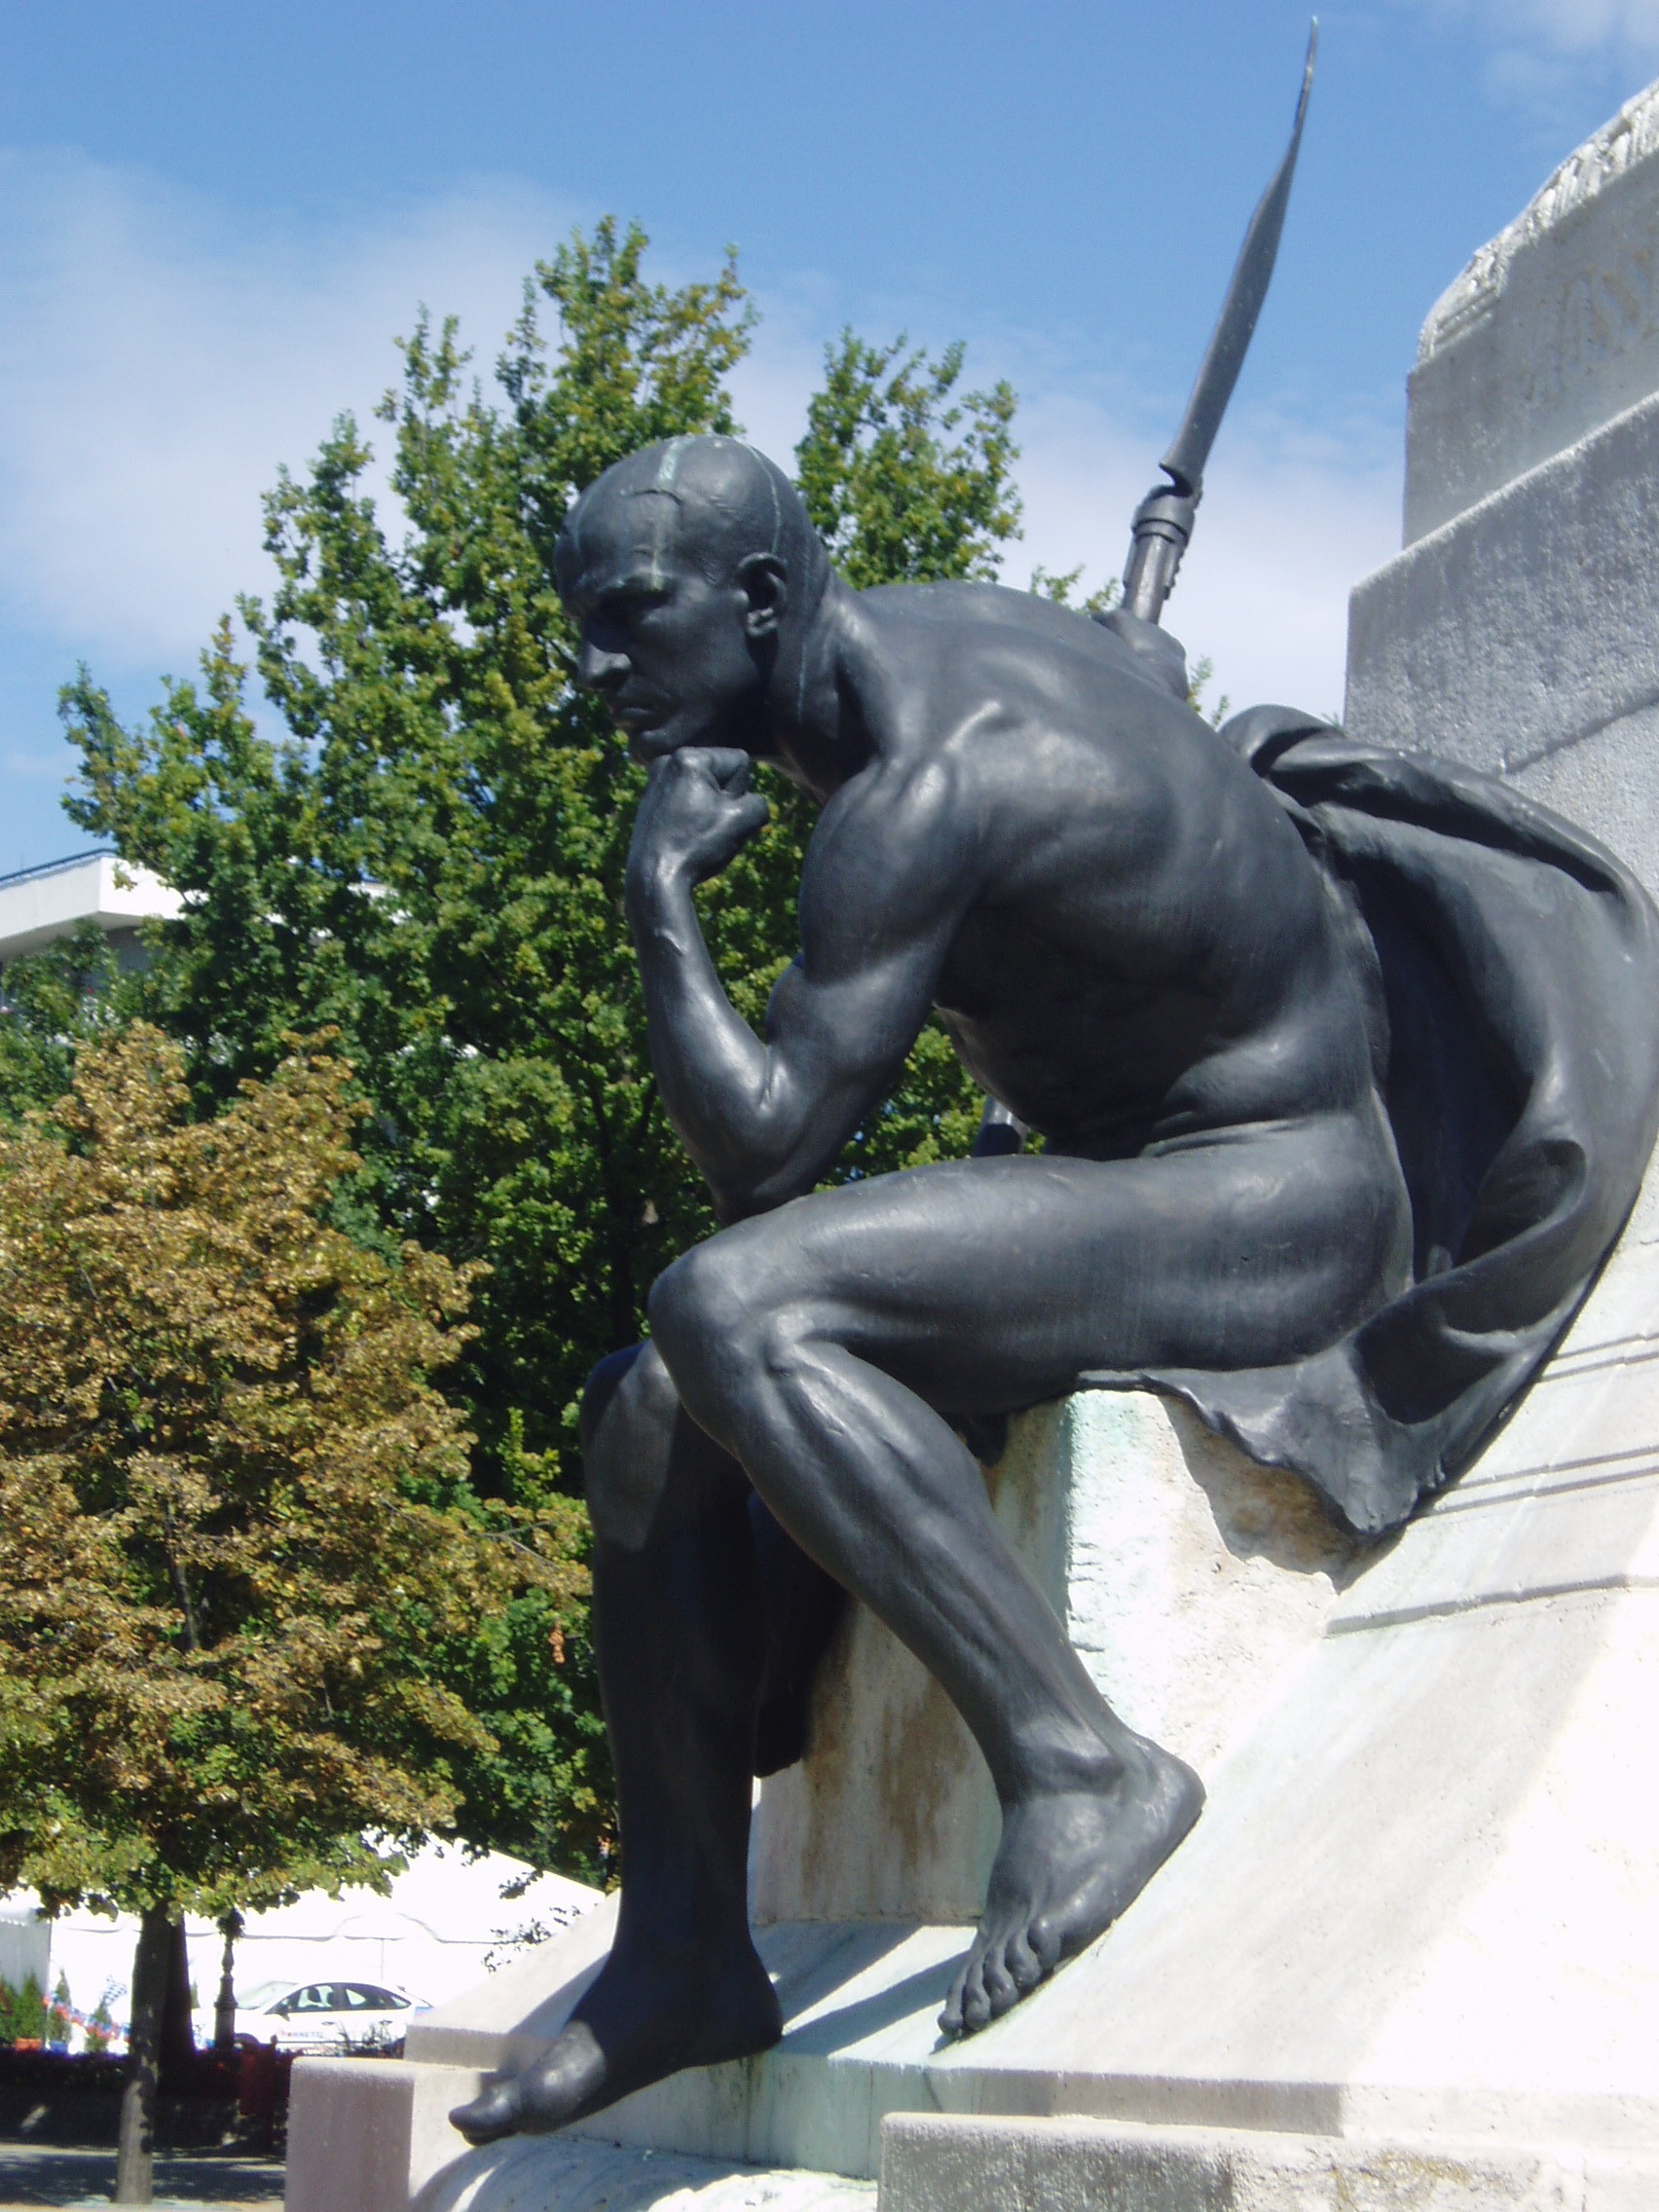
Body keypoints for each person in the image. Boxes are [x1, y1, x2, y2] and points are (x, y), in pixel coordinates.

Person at [452, 431, 1657, 2147]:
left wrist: (659, 895)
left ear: (765, 600)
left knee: (728, 1304)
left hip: (1277, 1198)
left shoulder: (917, 795)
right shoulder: (954, 630)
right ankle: (683, 1953)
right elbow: (1133, 679)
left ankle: (1082, 1768)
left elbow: (764, 1153)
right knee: (649, 1413)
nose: (597, 668)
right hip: (1132, 1183)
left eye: (633, 618)